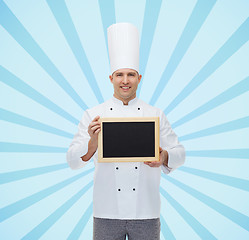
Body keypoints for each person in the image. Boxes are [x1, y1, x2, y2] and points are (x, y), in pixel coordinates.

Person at [67, 23, 185, 240]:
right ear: (111, 78)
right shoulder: (93, 114)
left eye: (131, 74)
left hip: (147, 211)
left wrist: (164, 156)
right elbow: (73, 161)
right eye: (119, 74)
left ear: (139, 78)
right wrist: (92, 144)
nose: (125, 80)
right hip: (105, 211)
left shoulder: (155, 114)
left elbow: (180, 153)